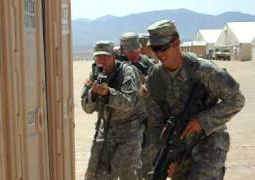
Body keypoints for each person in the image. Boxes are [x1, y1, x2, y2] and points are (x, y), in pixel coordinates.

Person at [143, 19, 245, 180]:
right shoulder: (155, 79)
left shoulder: (203, 70)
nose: (159, 53)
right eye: (155, 49)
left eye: (162, 47)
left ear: (176, 42)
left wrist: (202, 120)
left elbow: (236, 100)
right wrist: (166, 158)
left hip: (209, 143)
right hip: (179, 149)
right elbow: (155, 124)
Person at [82, 41, 147, 180]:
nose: (102, 61)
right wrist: (92, 94)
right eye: (98, 57)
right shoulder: (95, 73)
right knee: (94, 172)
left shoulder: (128, 72)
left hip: (130, 129)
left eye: (105, 57)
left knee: (127, 171)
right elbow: (86, 108)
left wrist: (107, 93)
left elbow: (128, 102)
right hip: (106, 128)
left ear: (114, 57)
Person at [119, 32, 155, 179]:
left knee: (147, 163)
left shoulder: (149, 66)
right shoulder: (118, 68)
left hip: (147, 121)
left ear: (140, 48)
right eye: (129, 52)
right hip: (126, 123)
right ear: (122, 51)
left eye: (135, 50)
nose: (133, 54)